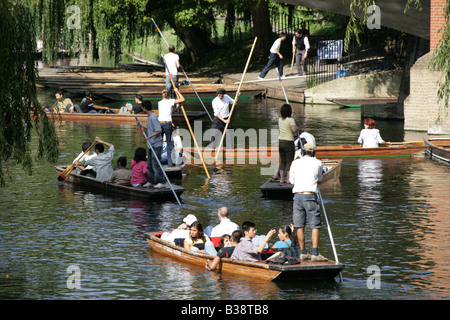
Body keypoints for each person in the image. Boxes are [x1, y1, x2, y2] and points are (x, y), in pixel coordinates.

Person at [289, 143, 328, 262]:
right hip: (310, 196)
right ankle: (315, 253)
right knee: (315, 225)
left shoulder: (295, 162)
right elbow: (319, 179)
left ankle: (303, 253)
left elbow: (291, 180)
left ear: (303, 152)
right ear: (313, 152)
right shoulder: (317, 162)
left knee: (299, 225)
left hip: (297, 196)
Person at [141, 100, 165, 188]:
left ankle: (160, 182)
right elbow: (151, 128)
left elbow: (159, 130)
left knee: (155, 164)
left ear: (144, 108)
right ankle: (150, 181)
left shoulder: (153, 117)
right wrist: (141, 125)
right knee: (149, 164)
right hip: (151, 145)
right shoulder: (149, 117)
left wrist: (150, 136)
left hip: (156, 145)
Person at [158, 88, 184, 166]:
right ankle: (170, 163)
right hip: (167, 124)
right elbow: (183, 99)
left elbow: (168, 111)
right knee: (170, 143)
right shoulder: (170, 101)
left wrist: (177, 108)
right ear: (169, 95)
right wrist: (177, 91)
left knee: (159, 143)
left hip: (160, 123)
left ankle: (158, 162)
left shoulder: (160, 103)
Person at [278, 104, 299, 184]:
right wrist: (297, 127)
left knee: (283, 161)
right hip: (288, 142)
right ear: (289, 112)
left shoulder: (280, 119)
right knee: (289, 161)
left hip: (280, 141)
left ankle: (282, 179)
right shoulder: (291, 120)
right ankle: (288, 179)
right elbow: (293, 130)